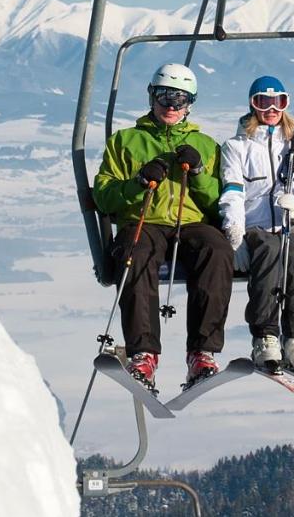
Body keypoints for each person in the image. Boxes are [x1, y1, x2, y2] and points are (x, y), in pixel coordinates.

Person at [92, 63, 233, 392]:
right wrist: (138, 183)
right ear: (152, 97)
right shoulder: (126, 141)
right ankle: (144, 352)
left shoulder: (206, 145)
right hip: (146, 219)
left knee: (217, 248)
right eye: (164, 97)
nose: (171, 106)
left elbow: (217, 204)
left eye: (180, 99)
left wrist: (197, 173)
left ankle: (202, 352)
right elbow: (104, 197)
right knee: (134, 251)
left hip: (190, 221)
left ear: (190, 103)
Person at [219, 75, 294, 378]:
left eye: (278, 102)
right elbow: (233, 193)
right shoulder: (237, 147)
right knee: (268, 250)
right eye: (262, 102)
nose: (270, 109)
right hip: (256, 228)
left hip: (290, 229)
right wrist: (236, 236)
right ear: (252, 105)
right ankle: (265, 335)